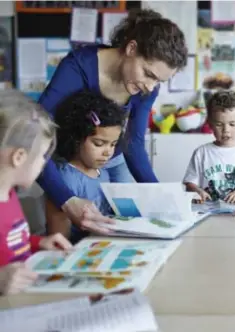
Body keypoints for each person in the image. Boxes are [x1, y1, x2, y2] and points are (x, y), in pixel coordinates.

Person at [36, 8, 188, 235]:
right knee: (72, 228)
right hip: (73, 160)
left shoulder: (147, 88)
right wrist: (66, 199)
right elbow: (36, 134)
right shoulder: (78, 67)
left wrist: (162, 197)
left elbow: (133, 144)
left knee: (125, 228)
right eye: (148, 74)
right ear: (131, 48)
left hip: (115, 161)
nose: (150, 87)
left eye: (159, 81)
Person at [0, 91, 72, 295]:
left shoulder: (9, 195)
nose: (44, 164)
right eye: (42, 156)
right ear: (19, 157)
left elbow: (11, 243)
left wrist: (38, 243)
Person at [46, 90, 127, 244]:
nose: (108, 152)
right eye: (98, 143)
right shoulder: (65, 179)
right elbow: (59, 240)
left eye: (113, 144)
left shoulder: (102, 171)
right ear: (76, 139)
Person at [183, 90, 235, 203]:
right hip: (211, 212)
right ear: (210, 124)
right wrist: (198, 191)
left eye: (232, 124)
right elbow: (190, 183)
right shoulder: (201, 153)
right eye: (219, 124)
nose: (226, 130)